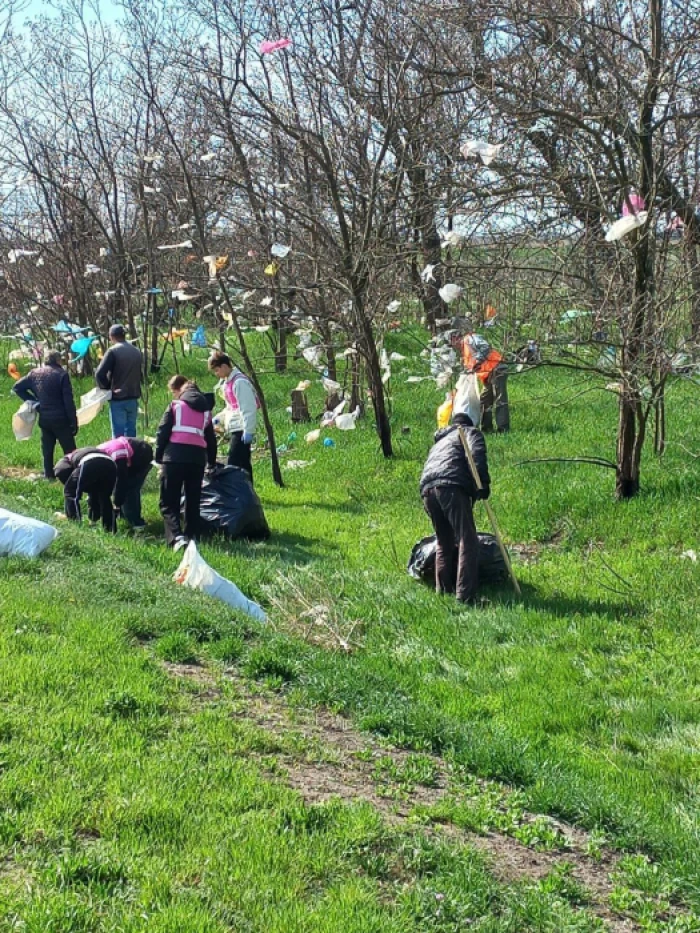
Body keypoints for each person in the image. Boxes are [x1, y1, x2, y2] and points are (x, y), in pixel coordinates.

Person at [419, 406, 491, 605]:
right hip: (451, 486)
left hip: (427, 490)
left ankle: (443, 590)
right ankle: (466, 596)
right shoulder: (469, 432)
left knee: (444, 540)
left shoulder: (440, 442)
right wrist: (483, 483)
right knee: (468, 539)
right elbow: (476, 455)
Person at [155, 375, 217, 550]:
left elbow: (162, 431)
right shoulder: (206, 412)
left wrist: (158, 456)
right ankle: (192, 536)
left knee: (169, 501)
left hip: (174, 457)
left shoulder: (175, 406)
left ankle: (175, 537)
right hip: (197, 460)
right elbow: (211, 440)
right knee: (193, 499)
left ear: (181, 391)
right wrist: (211, 463)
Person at [13, 349, 78, 479]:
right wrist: (73, 421)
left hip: (44, 416)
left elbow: (17, 387)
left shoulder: (34, 373)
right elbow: (68, 401)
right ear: (58, 360)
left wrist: (35, 402)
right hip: (61, 418)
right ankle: (73, 475)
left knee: (47, 449)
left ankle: (49, 475)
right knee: (70, 450)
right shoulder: (62, 374)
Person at [207, 352, 259, 481]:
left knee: (234, 462)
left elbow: (248, 408)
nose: (216, 374)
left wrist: (248, 430)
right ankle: (247, 489)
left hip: (241, 428)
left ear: (224, 366)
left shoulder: (240, 382)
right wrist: (219, 418)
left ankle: (237, 489)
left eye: (217, 370)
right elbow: (231, 407)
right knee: (243, 464)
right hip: (235, 426)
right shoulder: (228, 383)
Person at [95, 324, 143, 438]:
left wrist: (107, 389)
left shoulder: (113, 351)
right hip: (133, 397)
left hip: (118, 398)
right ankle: (131, 450)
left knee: (118, 436)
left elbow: (99, 373)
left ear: (111, 337)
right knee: (131, 434)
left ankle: (119, 451)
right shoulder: (136, 351)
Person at [55, 447, 118, 532]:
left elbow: (60, 471)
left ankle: (74, 523)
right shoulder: (82, 452)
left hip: (90, 461)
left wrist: (73, 484)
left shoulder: (65, 461)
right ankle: (110, 530)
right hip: (111, 464)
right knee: (104, 497)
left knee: (70, 492)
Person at [97, 437, 153, 531]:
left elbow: (121, 480)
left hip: (142, 454)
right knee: (122, 489)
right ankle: (123, 516)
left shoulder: (116, 456)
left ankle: (136, 523)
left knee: (129, 489)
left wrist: (117, 502)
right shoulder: (98, 457)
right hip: (128, 453)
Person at [461, 332, 510, 432]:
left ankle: (503, 429)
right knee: (484, 400)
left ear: (455, 338)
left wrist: (477, 361)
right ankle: (486, 429)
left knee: (500, 399)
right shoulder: (463, 352)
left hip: (497, 367)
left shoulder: (470, 339)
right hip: (487, 374)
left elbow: (485, 347)